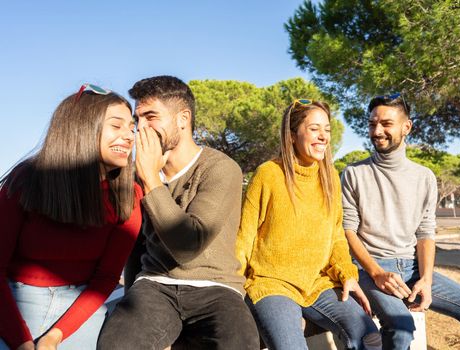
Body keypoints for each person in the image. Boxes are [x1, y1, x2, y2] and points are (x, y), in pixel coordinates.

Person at [97, 75, 259, 350]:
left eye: (151, 116)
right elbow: (135, 246)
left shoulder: (220, 169)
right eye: (139, 120)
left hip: (216, 287)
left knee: (240, 342)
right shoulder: (139, 176)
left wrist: (151, 179)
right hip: (155, 285)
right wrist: (130, 298)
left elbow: (188, 245)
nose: (141, 129)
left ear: (183, 119)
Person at [341, 94, 460, 349]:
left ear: (406, 127)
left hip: (412, 269)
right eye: (372, 123)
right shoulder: (354, 173)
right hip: (369, 269)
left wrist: (426, 280)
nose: (377, 131)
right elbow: (347, 231)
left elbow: (425, 233)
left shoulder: (424, 177)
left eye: (386, 124)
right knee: (401, 327)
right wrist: (376, 273)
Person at [0, 84, 143, 350]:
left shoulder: (130, 195)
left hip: (81, 309)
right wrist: (21, 341)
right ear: (82, 127)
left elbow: (107, 277)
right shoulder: (27, 180)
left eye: (131, 128)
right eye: (117, 126)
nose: (129, 136)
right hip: (13, 303)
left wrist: (55, 337)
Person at [236, 99, 381, 350]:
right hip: (272, 283)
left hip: (318, 282)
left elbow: (336, 235)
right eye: (314, 129)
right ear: (292, 135)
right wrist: (232, 289)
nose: (324, 136)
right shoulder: (268, 174)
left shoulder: (330, 177)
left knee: (369, 337)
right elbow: (244, 236)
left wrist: (347, 274)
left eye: (327, 129)